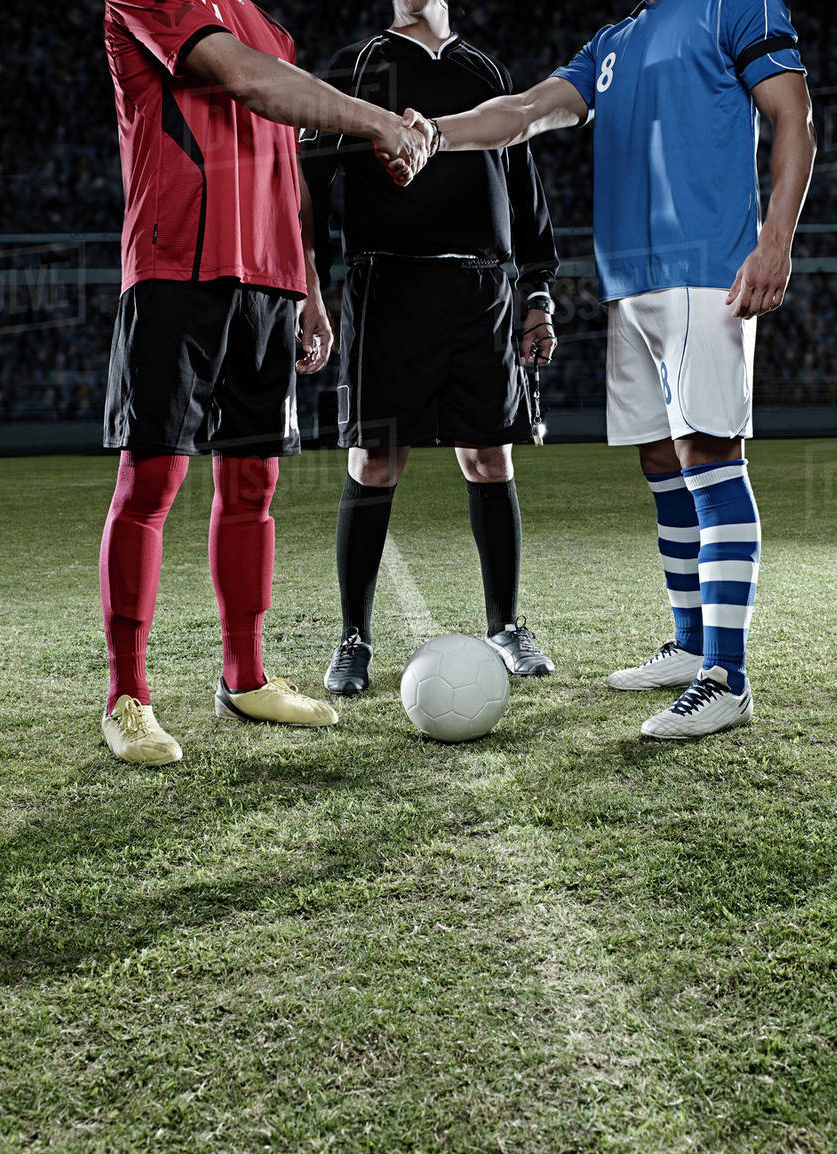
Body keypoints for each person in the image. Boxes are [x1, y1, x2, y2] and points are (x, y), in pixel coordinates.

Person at [404, 0, 816, 738]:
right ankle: (691, 645)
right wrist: (437, 132)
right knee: (662, 460)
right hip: (630, 281)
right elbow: (526, 111)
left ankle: (728, 676)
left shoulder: (735, 4)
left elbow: (795, 118)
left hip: (706, 271)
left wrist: (775, 240)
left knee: (710, 456)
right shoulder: (611, 40)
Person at [100, 0, 432, 765]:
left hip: (268, 286)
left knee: (253, 487)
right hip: (174, 267)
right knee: (152, 482)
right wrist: (379, 121)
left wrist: (308, 289)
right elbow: (247, 84)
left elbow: (286, 169)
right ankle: (126, 695)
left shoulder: (269, 25)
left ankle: (244, 678)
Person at [302, 0, 560, 696]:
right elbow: (306, 193)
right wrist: (311, 292)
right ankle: (353, 638)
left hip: (482, 291)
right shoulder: (355, 67)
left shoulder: (485, 69)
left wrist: (535, 293)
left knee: (489, 455)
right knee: (375, 457)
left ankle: (505, 625)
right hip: (385, 285)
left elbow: (524, 190)